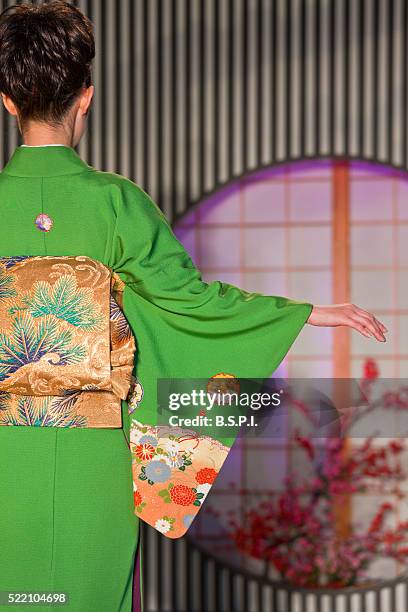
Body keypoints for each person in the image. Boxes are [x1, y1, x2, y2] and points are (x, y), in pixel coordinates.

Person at [0, 2, 387, 611]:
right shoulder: (115, 203)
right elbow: (192, 305)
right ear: (87, 98)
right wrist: (300, 313)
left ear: (9, 102)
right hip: (92, 457)